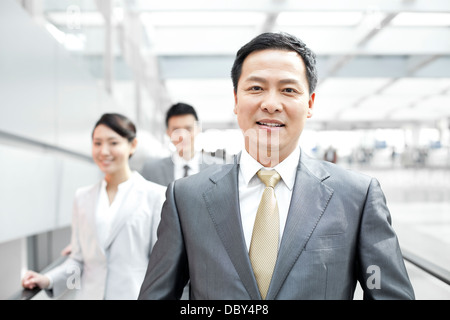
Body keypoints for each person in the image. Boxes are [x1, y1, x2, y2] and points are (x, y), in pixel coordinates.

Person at [138, 32, 415, 300]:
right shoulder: (187, 198)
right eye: (256, 88)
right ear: (236, 99)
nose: (271, 104)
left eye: (288, 90)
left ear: (310, 104)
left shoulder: (356, 197)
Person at [21, 113, 166, 300]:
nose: (103, 151)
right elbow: (78, 261)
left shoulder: (155, 196)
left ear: (133, 145)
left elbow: (160, 264)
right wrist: (47, 279)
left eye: (113, 143)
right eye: (97, 143)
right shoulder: (82, 197)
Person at [140, 102, 221, 186]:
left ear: (198, 129)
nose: (182, 136)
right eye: (176, 130)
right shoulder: (151, 170)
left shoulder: (219, 169)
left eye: (188, 129)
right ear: (168, 133)